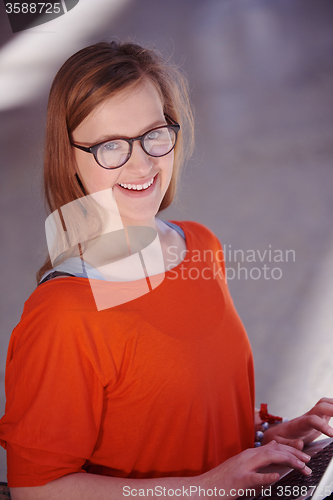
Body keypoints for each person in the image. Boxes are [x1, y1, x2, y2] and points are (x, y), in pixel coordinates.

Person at [0, 40, 332, 500]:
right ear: (69, 156)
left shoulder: (200, 245)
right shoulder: (63, 315)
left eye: (154, 133)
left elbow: (172, 418)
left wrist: (259, 440)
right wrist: (204, 488)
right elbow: (36, 489)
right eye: (111, 145)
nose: (141, 162)